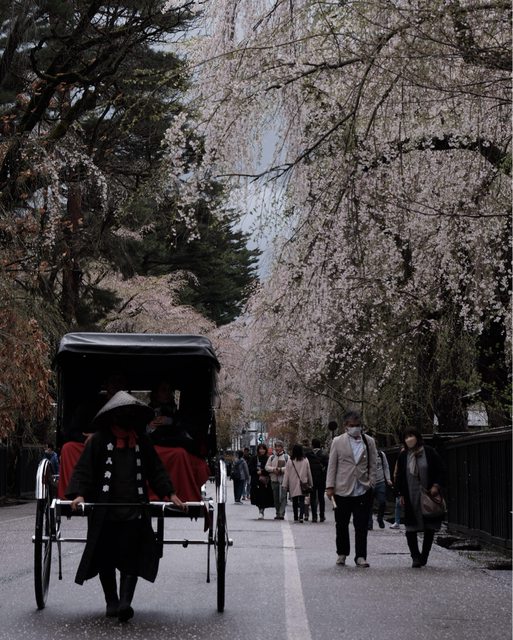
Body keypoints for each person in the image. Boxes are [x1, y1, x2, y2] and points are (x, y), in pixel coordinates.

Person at [65, 391, 186, 622]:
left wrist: (169, 493)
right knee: (105, 558)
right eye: (123, 412)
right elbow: (84, 469)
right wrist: (79, 495)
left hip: (134, 509)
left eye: (131, 412)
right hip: (105, 510)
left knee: (131, 556)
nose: (127, 416)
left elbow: (156, 469)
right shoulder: (99, 440)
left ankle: (125, 603)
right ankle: (111, 601)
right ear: (113, 415)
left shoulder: (141, 440)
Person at [325, 410, 377, 568]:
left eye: (358, 425)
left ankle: (360, 556)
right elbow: (332, 465)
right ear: (346, 426)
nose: (355, 428)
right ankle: (342, 553)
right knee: (341, 524)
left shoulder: (369, 441)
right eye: (352, 425)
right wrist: (330, 486)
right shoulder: (337, 441)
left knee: (361, 525)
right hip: (342, 488)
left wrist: (371, 482)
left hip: (362, 488)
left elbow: (373, 464)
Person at [395, 428, 446, 568]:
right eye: (406, 437)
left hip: (427, 494)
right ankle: (415, 556)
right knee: (411, 528)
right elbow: (399, 476)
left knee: (429, 527)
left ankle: (425, 555)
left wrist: (436, 485)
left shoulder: (429, 452)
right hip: (410, 495)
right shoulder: (403, 455)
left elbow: (441, 470)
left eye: (411, 436)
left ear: (417, 437)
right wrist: (400, 494)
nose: (409, 439)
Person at [282, 444, 313, 523]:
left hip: (293, 483)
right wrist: (310, 483)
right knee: (302, 500)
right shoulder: (305, 460)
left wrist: (285, 484)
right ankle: (301, 516)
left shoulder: (290, 460)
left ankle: (295, 516)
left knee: (295, 501)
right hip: (303, 483)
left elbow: (287, 473)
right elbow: (308, 472)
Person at [248, 443, 275, 519]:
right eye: (260, 449)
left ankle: (261, 510)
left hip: (264, 481)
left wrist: (262, 471)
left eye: (263, 449)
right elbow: (250, 468)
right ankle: (260, 509)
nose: (262, 450)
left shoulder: (268, 458)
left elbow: (269, 469)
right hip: (256, 480)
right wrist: (256, 471)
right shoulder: (254, 458)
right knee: (256, 496)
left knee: (263, 496)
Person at [368, 448, 392, 530]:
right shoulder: (366, 454)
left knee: (382, 502)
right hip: (369, 483)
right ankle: (369, 523)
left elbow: (386, 466)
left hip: (380, 482)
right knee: (369, 504)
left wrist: (388, 479)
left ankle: (380, 518)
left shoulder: (381, 454)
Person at [265, 440, 289, 520]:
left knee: (283, 497)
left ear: (282, 448)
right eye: (276, 447)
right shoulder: (271, 457)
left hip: (283, 480)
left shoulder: (286, 457)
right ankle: (277, 512)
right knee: (275, 498)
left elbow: (289, 467)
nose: (277, 448)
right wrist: (273, 469)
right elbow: (266, 467)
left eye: (279, 447)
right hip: (274, 480)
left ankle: (281, 513)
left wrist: (281, 469)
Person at [307, 438, 329, 522]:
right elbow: (328, 466)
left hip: (312, 478)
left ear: (312, 445)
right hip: (321, 479)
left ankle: (314, 516)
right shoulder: (324, 454)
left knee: (312, 497)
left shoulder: (309, 455)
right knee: (321, 497)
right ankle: (322, 515)